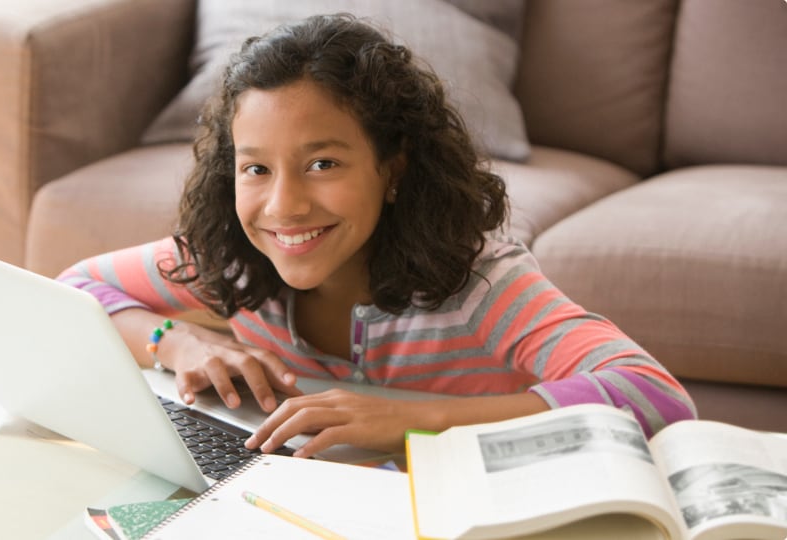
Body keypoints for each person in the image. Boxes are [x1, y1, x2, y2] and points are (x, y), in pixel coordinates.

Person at [57, 13, 696, 459]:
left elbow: (653, 394)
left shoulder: (478, 284)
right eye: (256, 168)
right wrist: (179, 341)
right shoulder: (236, 259)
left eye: (323, 164)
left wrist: (416, 419)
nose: (284, 206)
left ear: (392, 169)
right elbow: (75, 290)